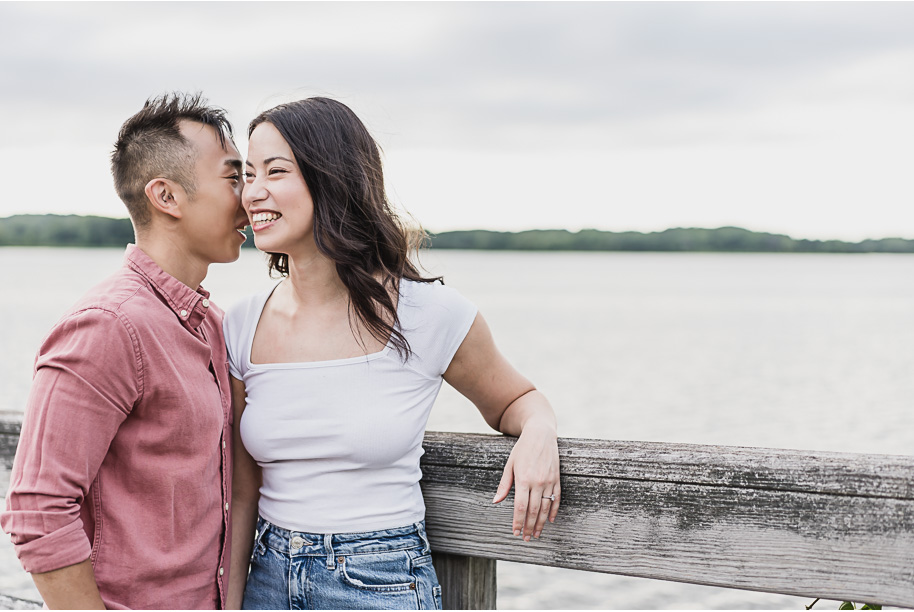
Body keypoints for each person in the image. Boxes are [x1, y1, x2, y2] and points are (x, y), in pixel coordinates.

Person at [225, 97, 561, 610]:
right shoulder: (240, 323)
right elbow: (244, 491)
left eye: (276, 171)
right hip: (267, 580)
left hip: (380, 581)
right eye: (248, 175)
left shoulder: (430, 313)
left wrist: (539, 431)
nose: (254, 192)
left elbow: (516, 399)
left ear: (331, 178)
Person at [1, 93, 249, 609]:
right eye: (232, 178)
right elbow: (38, 510)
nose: (248, 197)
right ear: (167, 196)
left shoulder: (215, 325)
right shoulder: (108, 326)